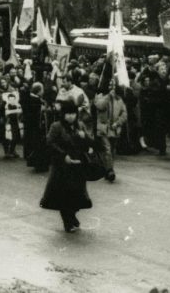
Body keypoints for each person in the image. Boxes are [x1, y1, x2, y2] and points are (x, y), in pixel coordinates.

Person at [40, 101, 100, 233]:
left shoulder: (80, 125)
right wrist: (63, 156)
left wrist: (85, 138)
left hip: (78, 165)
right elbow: (50, 143)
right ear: (63, 114)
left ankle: (72, 215)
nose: (71, 116)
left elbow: (90, 143)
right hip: (62, 166)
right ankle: (68, 221)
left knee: (76, 194)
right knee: (64, 195)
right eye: (68, 113)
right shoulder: (57, 126)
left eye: (73, 113)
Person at [94, 81, 127, 183]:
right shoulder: (100, 96)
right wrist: (108, 96)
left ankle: (107, 169)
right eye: (109, 85)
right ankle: (110, 170)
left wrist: (118, 123)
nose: (111, 87)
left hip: (114, 129)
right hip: (104, 129)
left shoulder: (119, 99)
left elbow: (124, 113)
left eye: (113, 85)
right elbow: (99, 106)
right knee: (107, 149)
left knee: (112, 150)